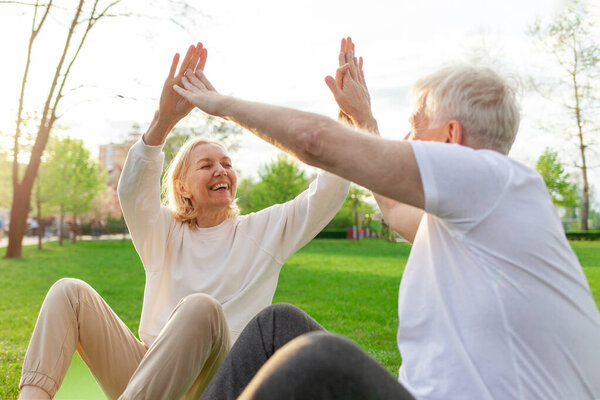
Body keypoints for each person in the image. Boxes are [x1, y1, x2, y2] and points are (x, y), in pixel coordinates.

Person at [174, 38, 600, 399]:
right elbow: (394, 210)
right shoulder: (479, 219)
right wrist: (364, 119)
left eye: (415, 127)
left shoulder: (498, 180)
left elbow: (315, 140)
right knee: (278, 326)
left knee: (318, 359)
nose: (406, 141)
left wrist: (221, 105)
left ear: (451, 137)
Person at [18, 43, 349, 400]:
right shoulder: (162, 232)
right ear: (182, 187)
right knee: (69, 292)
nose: (221, 170)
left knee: (202, 307)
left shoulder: (262, 231)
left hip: (218, 380)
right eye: (206, 165)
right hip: (147, 373)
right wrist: (163, 122)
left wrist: (348, 121)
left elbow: (326, 194)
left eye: (227, 163)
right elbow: (132, 191)